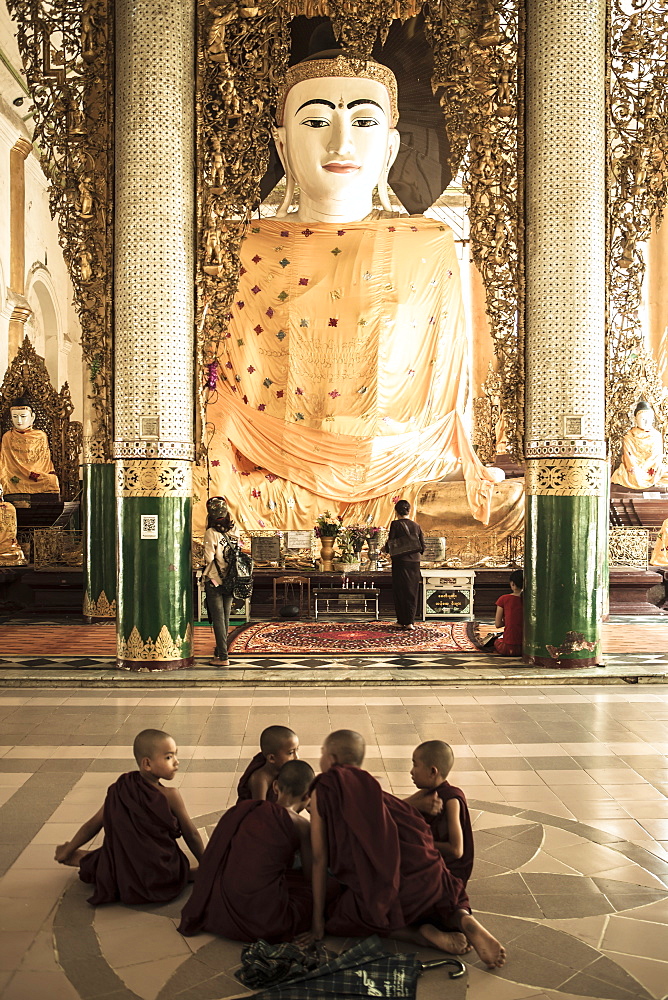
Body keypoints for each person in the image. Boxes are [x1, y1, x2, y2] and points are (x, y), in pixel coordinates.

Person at [197, 52, 507, 534]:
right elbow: (223, 397)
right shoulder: (242, 245)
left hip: (397, 468)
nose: (342, 142)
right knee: (190, 498)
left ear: (390, 147)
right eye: (317, 120)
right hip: (268, 466)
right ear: (282, 145)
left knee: (503, 505)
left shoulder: (428, 244)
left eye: (364, 121)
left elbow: (445, 397)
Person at [308, 729, 506, 970]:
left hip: (386, 888)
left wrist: (317, 920)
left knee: (342, 915)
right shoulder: (371, 786)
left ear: (330, 759)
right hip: (427, 877)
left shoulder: (324, 789)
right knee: (447, 898)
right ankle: (464, 919)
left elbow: (319, 857)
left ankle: (416, 936)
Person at [54, 729, 204, 905]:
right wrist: (208, 862)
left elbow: (93, 824)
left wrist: (69, 848)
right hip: (161, 871)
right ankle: (187, 875)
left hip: (126, 872)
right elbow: (191, 834)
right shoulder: (170, 795)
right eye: (169, 757)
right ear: (147, 764)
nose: (177, 762)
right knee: (176, 870)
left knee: (115, 860)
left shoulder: (122, 788)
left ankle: (83, 858)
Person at [179, 760, 314, 941]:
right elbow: (310, 875)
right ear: (308, 796)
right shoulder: (302, 825)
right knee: (326, 888)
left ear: (275, 787)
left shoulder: (247, 809)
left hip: (219, 905)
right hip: (265, 921)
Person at [409, 740, 474, 886]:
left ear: (433, 771)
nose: (411, 772)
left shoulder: (451, 800)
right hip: (428, 863)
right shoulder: (424, 794)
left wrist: (419, 842)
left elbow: (456, 850)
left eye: (415, 765)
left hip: (448, 873)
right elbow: (397, 807)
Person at [202, 495, 241, 666]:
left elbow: (208, 558)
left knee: (218, 619)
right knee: (225, 618)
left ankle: (223, 657)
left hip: (215, 581)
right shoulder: (235, 530)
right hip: (231, 580)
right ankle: (220, 651)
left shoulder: (211, 533)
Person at [0, 396, 60, 502]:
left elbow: (44, 462)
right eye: (14, 416)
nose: (19, 420)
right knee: (8, 481)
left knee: (51, 480)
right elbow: (4, 462)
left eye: (23, 416)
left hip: (36, 476)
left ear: (32, 417)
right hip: (16, 476)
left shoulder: (40, 436)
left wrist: (36, 474)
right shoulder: (7, 436)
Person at [382, 499, 425, 630]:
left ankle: (401, 621)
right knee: (412, 591)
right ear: (409, 510)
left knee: (400, 590)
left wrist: (383, 550)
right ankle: (410, 622)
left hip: (401, 563)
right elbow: (423, 546)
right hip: (414, 563)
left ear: (396, 512)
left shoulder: (395, 524)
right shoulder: (416, 526)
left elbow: (391, 543)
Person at [611, 401, 668, 490]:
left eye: (649, 419)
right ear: (635, 419)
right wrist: (636, 469)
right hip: (635, 467)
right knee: (631, 476)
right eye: (642, 418)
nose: (646, 421)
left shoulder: (656, 436)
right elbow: (628, 457)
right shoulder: (629, 436)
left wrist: (651, 468)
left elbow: (657, 457)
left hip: (652, 468)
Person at [237, 724, 299, 803]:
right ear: (271, 758)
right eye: (290, 753)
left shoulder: (285, 770)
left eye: (297, 750)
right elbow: (261, 810)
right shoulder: (260, 779)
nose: (297, 757)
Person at [493, 569, 523, 656]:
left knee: (497, 641)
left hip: (509, 648)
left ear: (512, 584)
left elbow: (498, 624)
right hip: (528, 649)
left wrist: (510, 621)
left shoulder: (503, 599)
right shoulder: (532, 600)